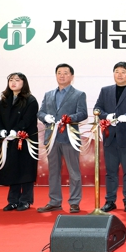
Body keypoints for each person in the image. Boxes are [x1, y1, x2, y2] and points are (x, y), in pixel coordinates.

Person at [94, 62, 126, 212]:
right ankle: (110, 201)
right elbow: (97, 108)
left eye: (123, 71)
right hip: (110, 137)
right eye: (117, 71)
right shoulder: (105, 91)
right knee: (110, 172)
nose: (120, 74)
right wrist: (106, 116)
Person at [36, 63, 88, 214]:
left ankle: (74, 202)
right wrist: (45, 117)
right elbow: (40, 112)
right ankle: (54, 201)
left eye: (65, 73)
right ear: (56, 75)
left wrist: (69, 119)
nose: (62, 75)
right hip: (51, 138)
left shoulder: (79, 94)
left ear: (72, 76)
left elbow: (83, 113)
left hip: (70, 138)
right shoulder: (48, 94)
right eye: (59, 73)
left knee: (74, 171)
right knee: (53, 171)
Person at [0, 72, 39, 211]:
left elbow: (27, 119)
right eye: (11, 80)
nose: (13, 82)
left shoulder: (30, 100)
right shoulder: (4, 100)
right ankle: (13, 200)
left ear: (24, 83)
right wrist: (0, 130)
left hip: (25, 140)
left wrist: (16, 130)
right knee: (12, 169)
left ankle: (25, 200)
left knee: (26, 170)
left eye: (17, 80)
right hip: (8, 140)